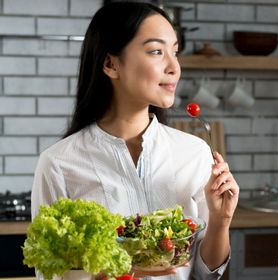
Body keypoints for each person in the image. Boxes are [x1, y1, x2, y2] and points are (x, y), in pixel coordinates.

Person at [31, 2, 239, 280]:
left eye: (175, 52)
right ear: (111, 64)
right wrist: (117, 271)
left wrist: (220, 221)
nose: (174, 67)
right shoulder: (58, 163)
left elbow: (203, 275)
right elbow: (50, 275)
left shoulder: (194, 152)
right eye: (156, 51)